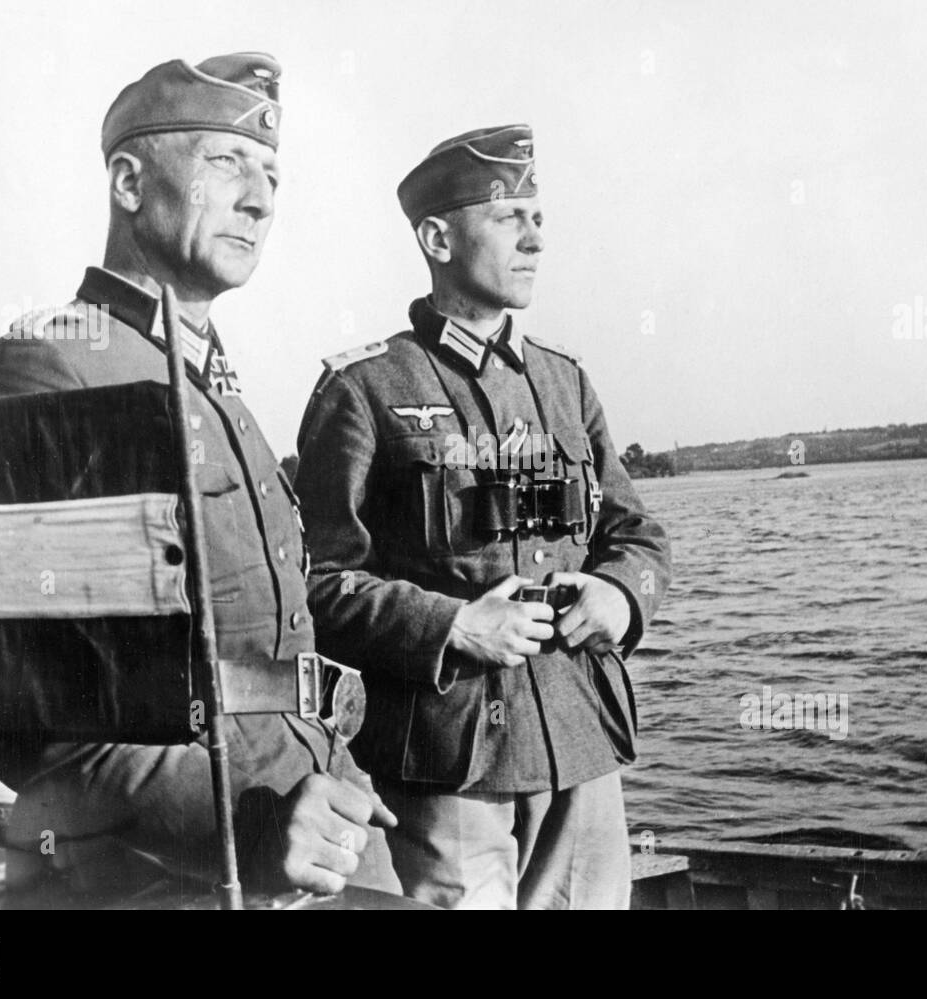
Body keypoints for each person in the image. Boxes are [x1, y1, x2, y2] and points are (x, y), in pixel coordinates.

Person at [0, 53, 398, 899]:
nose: (262, 199)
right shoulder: (51, 368)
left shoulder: (207, 378)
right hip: (184, 872)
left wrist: (330, 776)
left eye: (271, 173)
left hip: (321, 832)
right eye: (227, 162)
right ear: (129, 181)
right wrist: (246, 822)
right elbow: (33, 729)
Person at [294, 124, 672, 909]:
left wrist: (620, 597)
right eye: (509, 217)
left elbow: (635, 533)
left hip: (580, 735)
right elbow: (317, 587)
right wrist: (452, 626)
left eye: (539, 217)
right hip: (453, 755)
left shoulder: (565, 382)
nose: (535, 237)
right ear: (437, 236)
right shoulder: (364, 389)